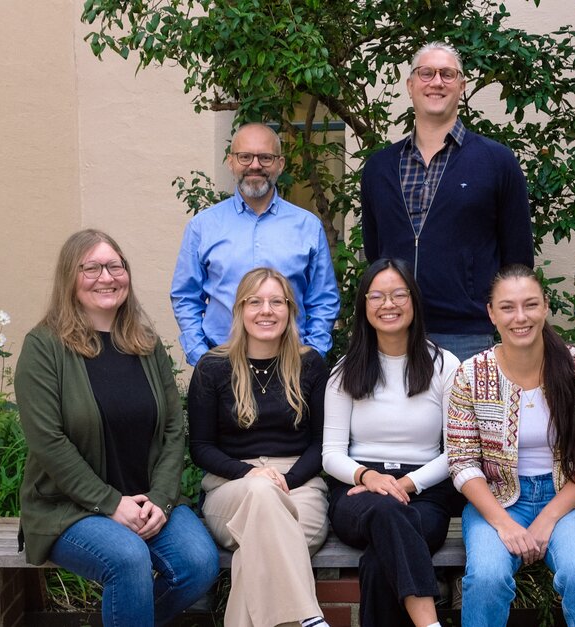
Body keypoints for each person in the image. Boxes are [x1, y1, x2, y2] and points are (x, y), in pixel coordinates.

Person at [15, 229, 219, 627]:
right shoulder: (44, 346)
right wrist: (110, 503)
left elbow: (174, 429)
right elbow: (48, 441)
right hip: (68, 507)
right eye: (90, 268)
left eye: (115, 266)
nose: (106, 277)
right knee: (127, 558)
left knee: (199, 563)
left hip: (146, 500)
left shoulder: (144, 342)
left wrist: (160, 499)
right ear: (69, 279)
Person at [446, 264, 575, 627]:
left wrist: (549, 517)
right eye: (507, 307)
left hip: (569, 501)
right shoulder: (471, 375)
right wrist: (504, 523)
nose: (519, 317)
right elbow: (462, 462)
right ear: (491, 313)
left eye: (530, 305)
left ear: (545, 307)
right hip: (497, 502)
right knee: (486, 579)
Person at [360, 41, 534, 361]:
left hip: (466, 335)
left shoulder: (496, 162)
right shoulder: (379, 168)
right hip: (392, 331)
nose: (436, 82)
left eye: (447, 74)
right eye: (426, 73)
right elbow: (376, 252)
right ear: (411, 85)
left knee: (465, 414)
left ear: (462, 86)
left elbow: (518, 260)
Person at [188, 267, 331, 627]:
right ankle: (309, 617)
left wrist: (288, 480)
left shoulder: (310, 364)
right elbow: (201, 448)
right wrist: (253, 475)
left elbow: (321, 443)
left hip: (301, 487)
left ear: (290, 310)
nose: (266, 310)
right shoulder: (212, 367)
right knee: (261, 495)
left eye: (276, 302)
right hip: (230, 489)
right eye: (255, 302)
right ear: (239, 310)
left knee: (253, 556)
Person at [323, 258, 462, 627]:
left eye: (399, 294)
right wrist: (369, 478)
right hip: (358, 492)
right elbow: (331, 454)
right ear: (364, 305)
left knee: (378, 558)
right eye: (378, 296)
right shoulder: (345, 370)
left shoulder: (444, 365)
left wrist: (406, 483)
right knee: (386, 512)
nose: (389, 304)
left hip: (425, 489)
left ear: (414, 301)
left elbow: (458, 451)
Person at [171, 122, 341, 366]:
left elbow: (323, 299)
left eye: (265, 157)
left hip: (291, 364)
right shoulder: (203, 227)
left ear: (280, 164)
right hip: (222, 362)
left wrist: (312, 355)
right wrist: (201, 357)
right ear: (231, 162)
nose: (254, 165)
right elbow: (185, 297)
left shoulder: (308, 226)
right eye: (245, 156)